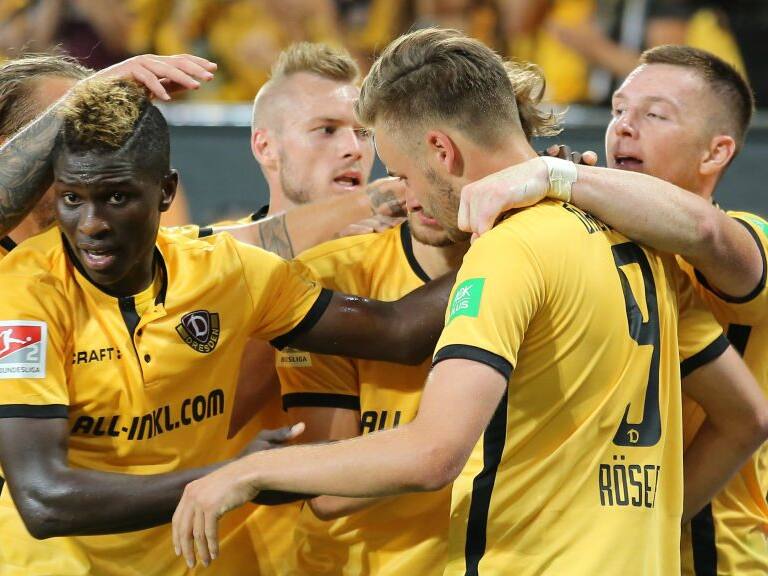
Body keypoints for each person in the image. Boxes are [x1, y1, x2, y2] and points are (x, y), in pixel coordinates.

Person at [172, 29, 768, 575]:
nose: (396, 194)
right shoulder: (640, 245)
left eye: (402, 173)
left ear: (443, 150)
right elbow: (747, 415)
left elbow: (433, 447)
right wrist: (659, 522)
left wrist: (246, 471)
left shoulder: (508, 250)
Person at [0, 62, 450, 576]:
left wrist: (513, 225)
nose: (93, 224)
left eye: (117, 197)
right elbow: (42, 500)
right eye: (72, 198)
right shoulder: (21, 287)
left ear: (165, 192)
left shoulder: (219, 268)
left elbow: (396, 329)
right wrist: (232, 474)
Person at [457, 44, 768, 576]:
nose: (624, 126)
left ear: (715, 154)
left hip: (718, 554)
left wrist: (559, 178)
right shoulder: (590, 230)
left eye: (654, 114)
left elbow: (705, 232)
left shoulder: (749, 235)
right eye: (620, 108)